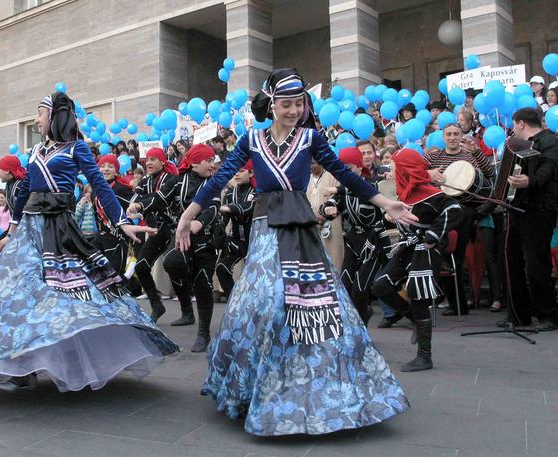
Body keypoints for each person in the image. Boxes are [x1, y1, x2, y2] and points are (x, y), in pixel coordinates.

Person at [176, 68, 413, 436]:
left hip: (301, 231)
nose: (293, 110)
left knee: (315, 304)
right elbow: (220, 179)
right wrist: (188, 214)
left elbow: (344, 174)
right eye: (286, 104)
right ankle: (259, 387)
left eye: (299, 104)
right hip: (265, 230)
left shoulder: (310, 138)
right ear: (272, 106)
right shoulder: (252, 139)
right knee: (264, 303)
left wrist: (385, 202)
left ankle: (320, 390)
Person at [0, 92, 177, 392]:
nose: (35, 119)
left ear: (55, 116)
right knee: (17, 293)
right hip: (30, 230)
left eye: (39, 113)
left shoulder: (76, 148)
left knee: (65, 296)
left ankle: (68, 356)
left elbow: (98, 186)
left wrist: (121, 220)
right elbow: (26, 190)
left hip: (61, 229)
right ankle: (21, 365)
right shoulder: (36, 151)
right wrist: (12, 231)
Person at [374, 148, 463, 372]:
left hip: (426, 250)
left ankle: (425, 356)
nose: (392, 170)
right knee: (381, 285)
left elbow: (455, 209)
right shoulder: (405, 193)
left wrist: (433, 235)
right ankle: (414, 319)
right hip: (409, 247)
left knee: (418, 295)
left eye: (396, 166)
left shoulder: (432, 194)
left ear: (405, 170)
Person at [135, 144, 222, 352]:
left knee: (203, 283)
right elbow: (160, 198)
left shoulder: (214, 183)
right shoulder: (178, 182)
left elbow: (212, 207)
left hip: (207, 240)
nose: (212, 165)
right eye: (208, 161)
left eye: (213, 161)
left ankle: (203, 333)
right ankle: (185, 306)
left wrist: (198, 223)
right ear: (194, 162)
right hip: (183, 239)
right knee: (171, 263)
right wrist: (139, 206)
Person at [425, 122, 494, 316]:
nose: (453, 137)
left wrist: (477, 152)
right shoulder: (434, 156)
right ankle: (455, 304)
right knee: (443, 257)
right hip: (440, 211)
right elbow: (415, 172)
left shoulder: (470, 155)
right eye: (449, 134)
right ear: (443, 136)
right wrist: (428, 174)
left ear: (461, 135)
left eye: (456, 134)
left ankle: (459, 305)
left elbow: (490, 174)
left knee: (456, 257)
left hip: (463, 211)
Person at [499, 107, 558, 331]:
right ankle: (518, 314)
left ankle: (548, 315)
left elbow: (549, 170)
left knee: (536, 264)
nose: (514, 130)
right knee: (512, 261)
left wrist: (529, 182)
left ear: (521, 123)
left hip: (540, 209)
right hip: (517, 208)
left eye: (515, 125)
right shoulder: (519, 145)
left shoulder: (550, 141)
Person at [320, 147, 392, 325]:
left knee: (360, 289)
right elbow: (327, 205)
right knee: (344, 285)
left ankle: (367, 323)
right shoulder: (341, 190)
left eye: (349, 168)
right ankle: (358, 322)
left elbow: (361, 190)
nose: (345, 173)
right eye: (342, 169)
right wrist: (327, 209)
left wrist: (338, 190)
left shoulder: (371, 184)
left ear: (360, 168)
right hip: (353, 241)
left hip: (372, 241)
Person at [128, 147, 179, 322]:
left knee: (180, 268)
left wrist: (141, 206)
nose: (148, 163)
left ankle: (187, 311)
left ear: (163, 162)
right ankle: (157, 305)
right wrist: (136, 207)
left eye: (153, 159)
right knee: (141, 266)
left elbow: (161, 199)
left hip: (173, 229)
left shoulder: (171, 179)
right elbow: (134, 200)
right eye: (147, 159)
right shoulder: (144, 182)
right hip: (155, 230)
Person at [215, 160, 255, 301]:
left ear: (251, 173)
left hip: (255, 240)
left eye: (241, 171)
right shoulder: (230, 193)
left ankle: (254, 302)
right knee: (221, 268)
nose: (237, 174)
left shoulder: (258, 191)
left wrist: (231, 208)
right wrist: (218, 235)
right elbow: (223, 218)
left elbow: (250, 207)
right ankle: (234, 300)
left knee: (255, 275)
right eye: (236, 171)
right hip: (235, 239)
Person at [93, 154, 135, 275]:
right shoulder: (96, 187)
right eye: (103, 166)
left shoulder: (120, 188)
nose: (106, 169)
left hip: (118, 237)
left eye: (110, 167)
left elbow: (137, 203)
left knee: (115, 272)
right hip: (101, 236)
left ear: (116, 171)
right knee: (98, 270)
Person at [306, 159, 344, 271]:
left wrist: (325, 217)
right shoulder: (305, 178)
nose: (310, 166)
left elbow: (337, 200)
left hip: (331, 224)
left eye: (313, 163)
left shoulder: (332, 176)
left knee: (334, 261)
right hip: (311, 225)